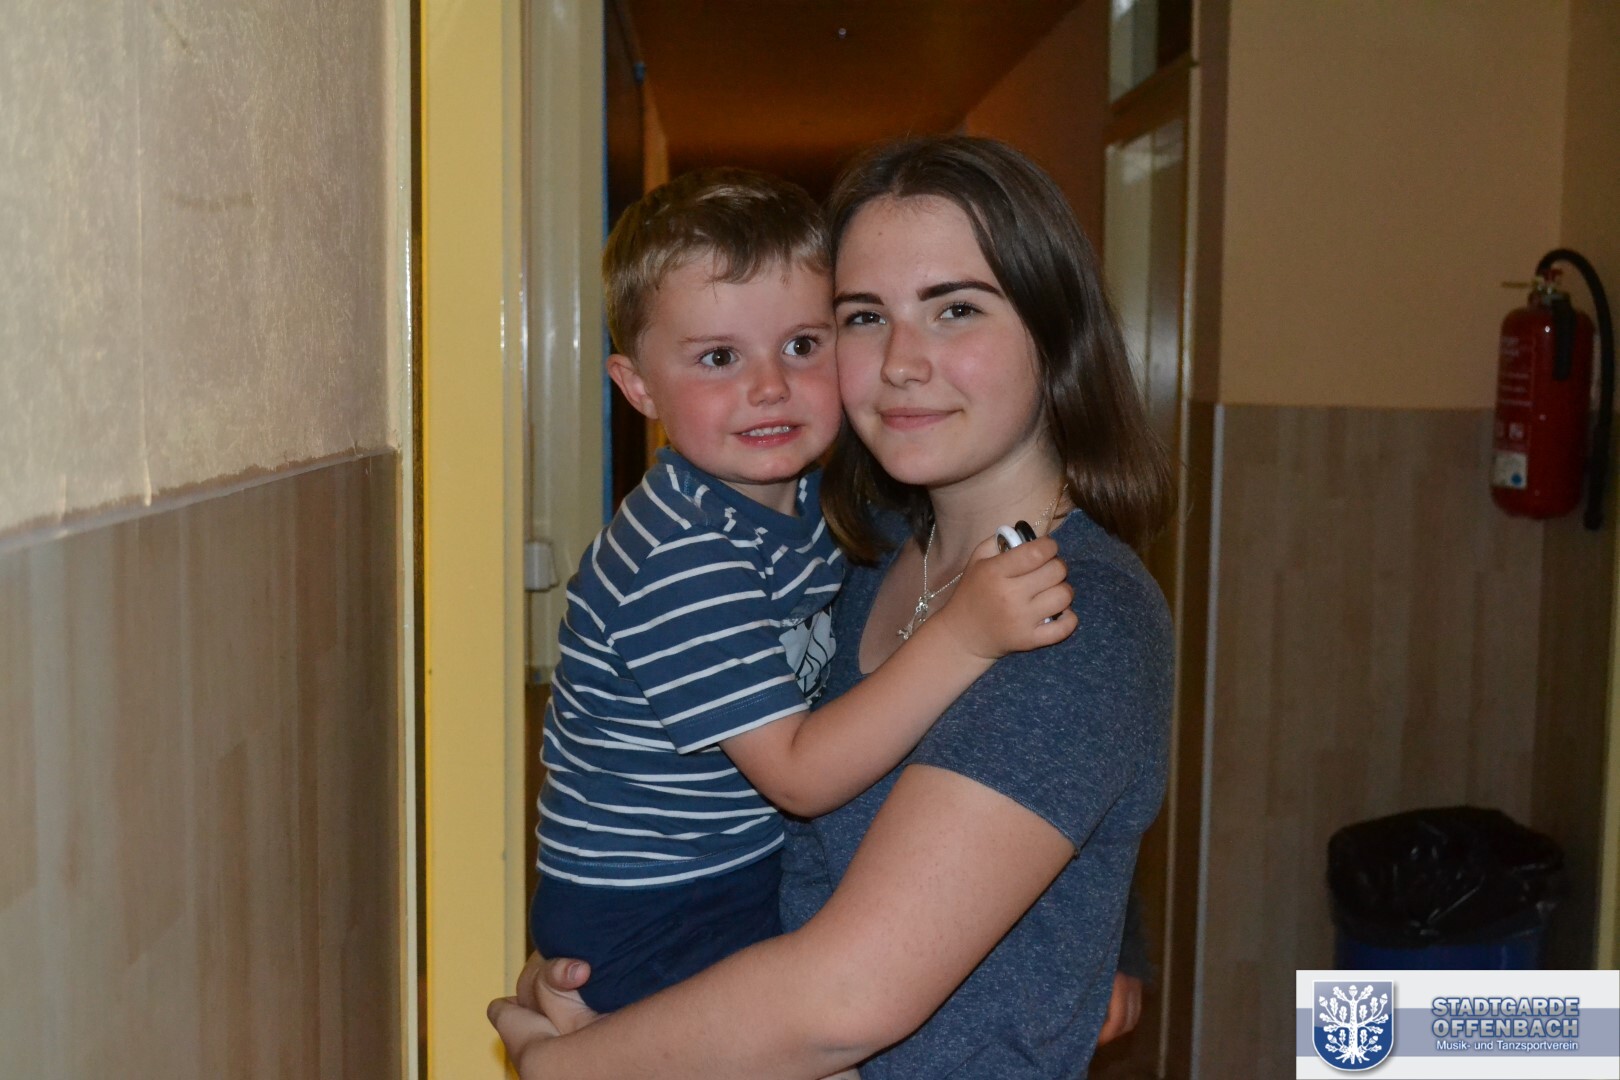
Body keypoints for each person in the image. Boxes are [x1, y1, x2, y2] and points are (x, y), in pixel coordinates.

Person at [492, 136, 1175, 1078]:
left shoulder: (1070, 615)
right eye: (863, 317)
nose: (901, 363)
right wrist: (610, 986)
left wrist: (569, 1065)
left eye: (956, 308)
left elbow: (848, 1000)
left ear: (1055, 329)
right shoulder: (860, 544)